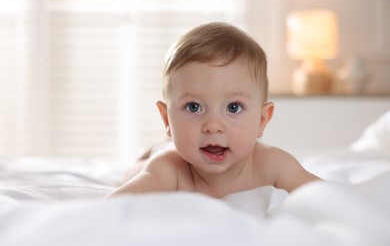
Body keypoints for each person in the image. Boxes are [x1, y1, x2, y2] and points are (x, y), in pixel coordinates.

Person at [107, 22, 319, 199]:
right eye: (193, 107)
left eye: (233, 107)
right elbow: (115, 204)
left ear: (262, 119)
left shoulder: (274, 165)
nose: (213, 126)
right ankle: (147, 153)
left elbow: (328, 196)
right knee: (135, 171)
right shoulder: (168, 169)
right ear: (167, 120)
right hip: (161, 156)